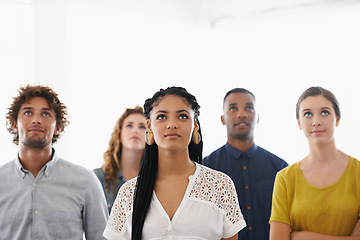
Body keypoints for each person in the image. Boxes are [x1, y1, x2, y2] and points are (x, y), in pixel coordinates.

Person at [103, 86, 246, 240]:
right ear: (149, 126)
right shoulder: (128, 193)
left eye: (183, 116)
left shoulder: (220, 186)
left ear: (195, 125)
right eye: (161, 117)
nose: (172, 124)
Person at [0, 84, 108, 239]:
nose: (36, 120)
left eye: (45, 114)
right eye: (28, 113)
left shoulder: (86, 181)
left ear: (58, 127)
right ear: (14, 124)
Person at [269, 86, 360, 239]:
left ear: (337, 119)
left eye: (325, 112)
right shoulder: (285, 178)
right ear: (299, 123)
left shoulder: (357, 173)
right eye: (308, 114)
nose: (316, 121)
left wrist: (300, 237)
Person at [203, 87, 288, 240]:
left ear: (257, 117)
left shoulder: (280, 168)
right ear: (222, 119)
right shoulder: (206, 168)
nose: (241, 114)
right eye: (233, 108)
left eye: (249, 108)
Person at [94, 106, 146, 213]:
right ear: (119, 135)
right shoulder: (98, 178)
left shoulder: (156, 179)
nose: (135, 131)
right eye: (129, 126)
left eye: (142, 127)